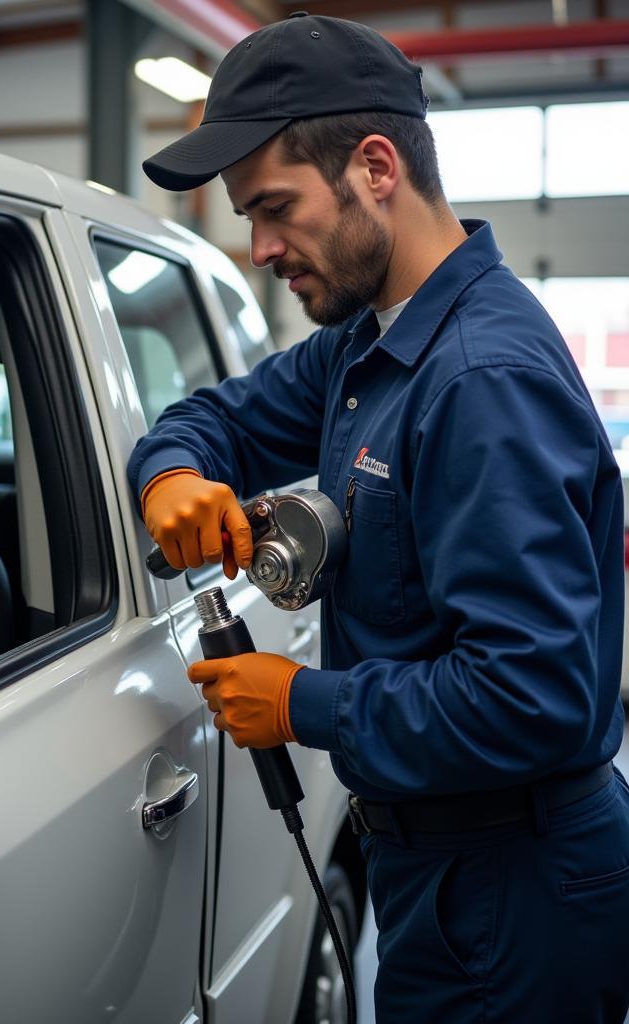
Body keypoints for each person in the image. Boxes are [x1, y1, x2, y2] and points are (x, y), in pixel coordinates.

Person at [128, 13, 629, 1023]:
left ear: (373, 166)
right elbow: (213, 414)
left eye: (273, 208)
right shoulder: (370, 342)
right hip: (442, 869)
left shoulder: (480, 380)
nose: (260, 247)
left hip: (512, 888)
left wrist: (303, 703)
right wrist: (172, 473)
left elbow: (536, 693)